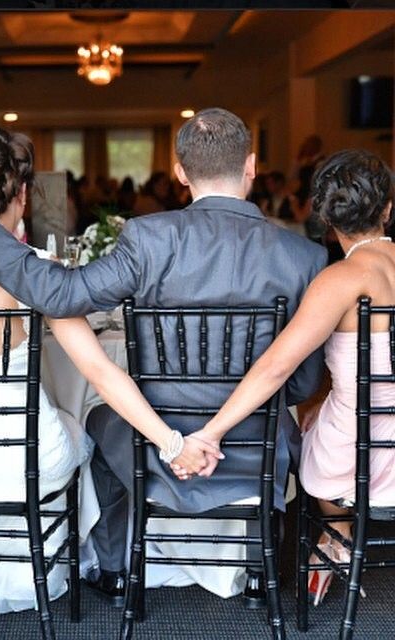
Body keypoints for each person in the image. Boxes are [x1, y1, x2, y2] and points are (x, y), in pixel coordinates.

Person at [0, 108, 328, 607]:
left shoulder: (147, 238)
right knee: (290, 425)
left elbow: (63, 296)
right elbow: (302, 384)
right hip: (256, 440)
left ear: (179, 171)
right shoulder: (303, 257)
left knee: (97, 420)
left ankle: (114, 569)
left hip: (154, 439)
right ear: (252, 166)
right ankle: (260, 573)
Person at [0, 127, 220, 631]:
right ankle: (64, 562)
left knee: (58, 424)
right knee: (82, 425)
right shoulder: (37, 271)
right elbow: (98, 368)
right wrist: (169, 441)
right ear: (24, 195)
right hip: (21, 453)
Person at [179, 148, 395, 606]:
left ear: (323, 216)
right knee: (324, 407)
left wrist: (211, 432)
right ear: (389, 209)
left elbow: (276, 367)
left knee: (303, 423)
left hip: (356, 454)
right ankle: (338, 534)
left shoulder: (342, 279)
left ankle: (336, 531)